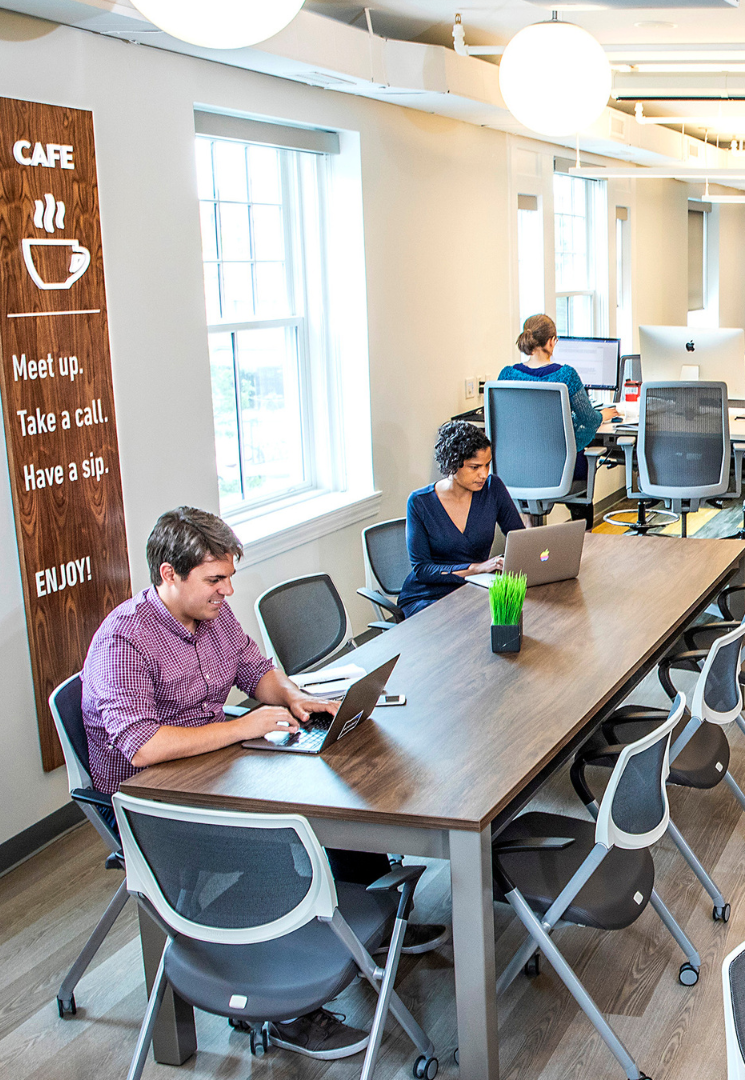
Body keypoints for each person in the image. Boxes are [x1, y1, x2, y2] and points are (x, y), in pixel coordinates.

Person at [81, 506, 448, 1061]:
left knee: (344, 787)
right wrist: (242, 727)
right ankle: (284, 1011)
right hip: (155, 807)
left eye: (229, 577)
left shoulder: (211, 614)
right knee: (286, 836)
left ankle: (365, 931)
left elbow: (255, 671)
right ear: (168, 574)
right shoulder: (124, 640)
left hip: (216, 770)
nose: (227, 591)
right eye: (215, 579)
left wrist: (296, 698)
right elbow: (142, 746)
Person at [401, 421, 526, 617]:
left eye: (487, 465)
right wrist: (477, 568)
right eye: (474, 467)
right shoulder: (419, 502)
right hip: (429, 596)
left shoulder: (493, 488)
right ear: (452, 463)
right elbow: (423, 570)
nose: (483, 474)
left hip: (475, 589)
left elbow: (520, 539)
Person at [497, 314, 619, 465]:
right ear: (551, 342)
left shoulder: (507, 375)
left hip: (516, 464)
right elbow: (588, 420)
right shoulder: (566, 376)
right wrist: (602, 415)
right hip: (559, 465)